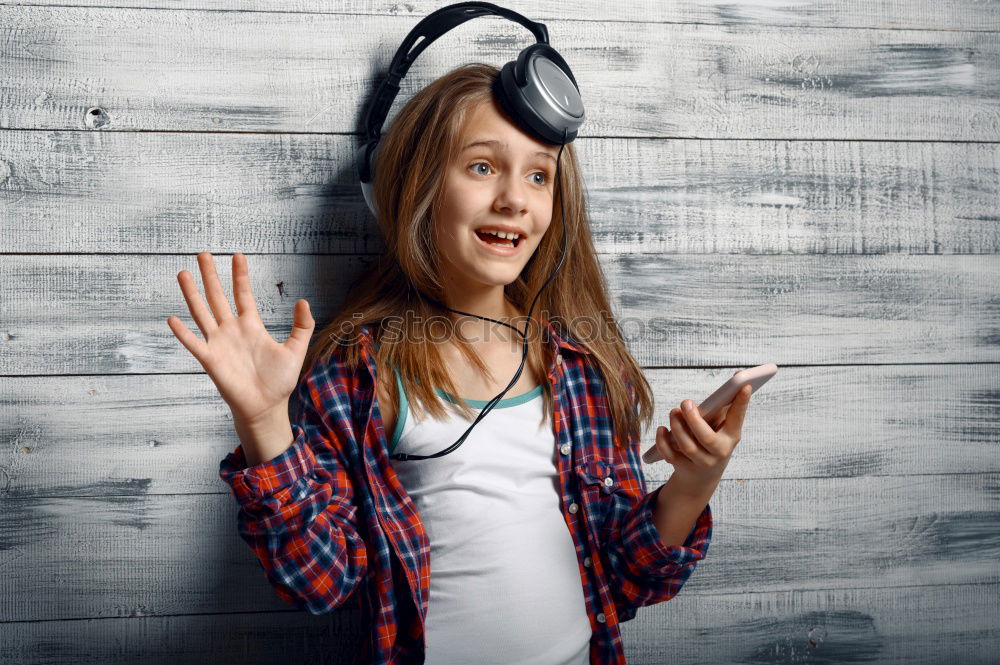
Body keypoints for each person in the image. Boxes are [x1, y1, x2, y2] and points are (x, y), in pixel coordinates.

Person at [167, 63, 753, 665]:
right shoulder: (361, 374)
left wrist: (694, 481)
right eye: (482, 167)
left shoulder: (586, 367)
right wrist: (264, 423)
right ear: (417, 184)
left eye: (538, 176)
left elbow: (632, 581)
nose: (514, 199)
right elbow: (322, 582)